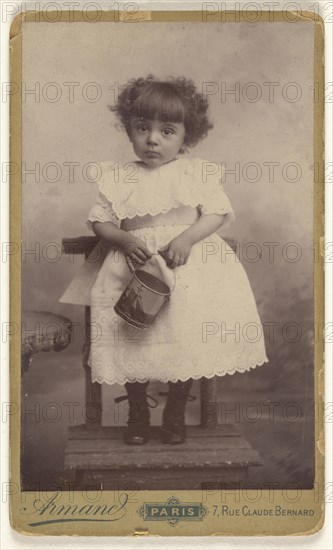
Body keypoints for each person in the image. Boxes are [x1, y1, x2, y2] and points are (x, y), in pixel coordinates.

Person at [59, 75, 268, 446]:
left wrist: (187, 238)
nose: (153, 139)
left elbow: (217, 213)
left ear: (186, 136)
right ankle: (137, 412)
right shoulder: (119, 175)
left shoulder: (195, 173)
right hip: (133, 267)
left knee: (183, 333)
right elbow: (99, 221)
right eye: (143, 128)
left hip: (182, 267)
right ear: (129, 130)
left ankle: (174, 412)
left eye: (167, 131)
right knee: (129, 333)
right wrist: (123, 239)